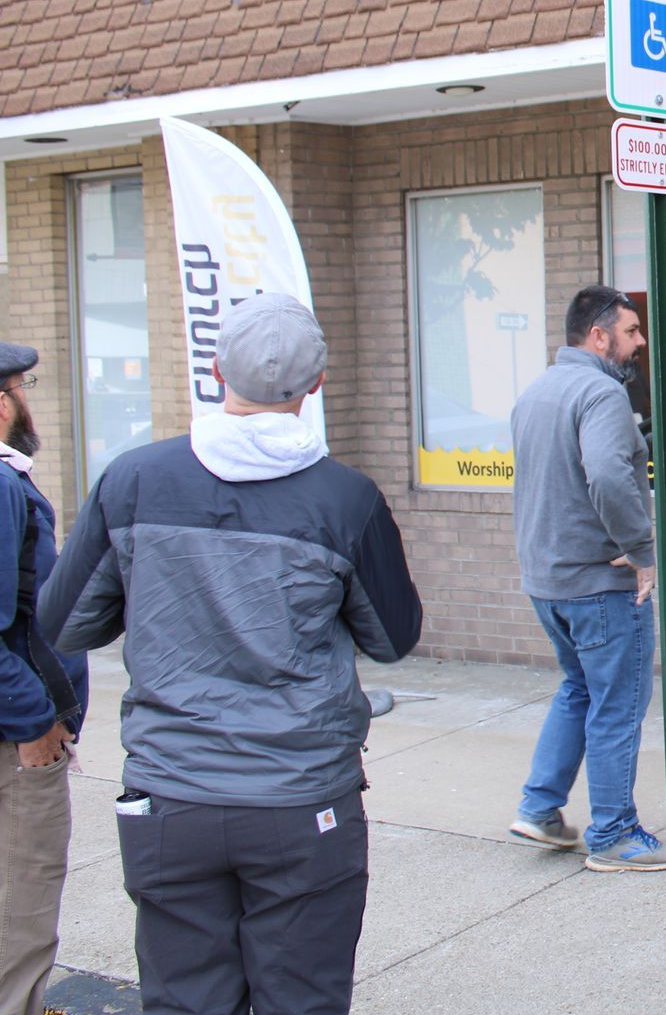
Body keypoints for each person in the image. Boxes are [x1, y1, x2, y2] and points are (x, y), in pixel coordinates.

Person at [39, 293, 420, 1015]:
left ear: (214, 371)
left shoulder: (133, 481)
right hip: (301, 799)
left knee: (183, 1002)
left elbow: (63, 622)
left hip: (171, 795)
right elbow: (393, 638)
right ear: (318, 385)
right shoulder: (346, 500)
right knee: (301, 1001)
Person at [509, 285, 665, 871]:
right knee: (617, 704)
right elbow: (604, 473)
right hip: (599, 583)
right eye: (630, 331)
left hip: (548, 583)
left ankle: (540, 810)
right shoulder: (599, 393)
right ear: (597, 337)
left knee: (579, 690)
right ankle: (614, 835)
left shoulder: (537, 392)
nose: (640, 342)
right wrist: (642, 550)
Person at [0, 342, 87, 1015]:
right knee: (26, 885)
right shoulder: (1, 484)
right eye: (23, 387)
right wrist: (32, 722)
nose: (27, 402)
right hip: (15, 735)